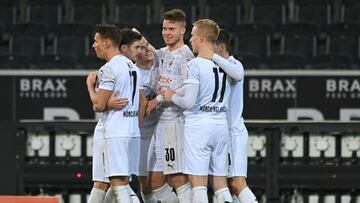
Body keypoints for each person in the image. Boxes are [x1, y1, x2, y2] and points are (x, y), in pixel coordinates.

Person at [162, 19, 244, 203]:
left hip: (199, 126)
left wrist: (172, 97)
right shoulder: (224, 65)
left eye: (192, 35)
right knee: (221, 185)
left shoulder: (195, 65)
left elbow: (189, 102)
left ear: (201, 38)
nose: (190, 39)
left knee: (198, 185)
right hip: (220, 125)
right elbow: (238, 76)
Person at [86, 25, 143, 203]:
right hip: (132, 131)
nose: (94, 45)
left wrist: (90, 85)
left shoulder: (108, 69)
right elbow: (141, 101)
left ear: (107, 42)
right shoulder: (132, 67)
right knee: (119, 183)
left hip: (115, 132)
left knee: (117, 184)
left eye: (96, 41)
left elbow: (98, 105)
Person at [145, 8, 194, 203]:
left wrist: (159, 98)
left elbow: (187, 87)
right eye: (164, 28)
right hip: (159, 123)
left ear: (183, 31)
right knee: (154, 182)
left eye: (171, 28)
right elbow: (155, 81)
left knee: (177, 178)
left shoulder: (186, 55)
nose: (166, 32)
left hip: (174, 123)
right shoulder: (162, 53)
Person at [214, 30, 258, 203]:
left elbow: (237, 73)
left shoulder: (234, 64)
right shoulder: (213, 67)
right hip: (221, 133)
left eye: (212, 46)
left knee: (237, 183)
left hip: (233, 133)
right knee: (223, 185)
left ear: (221, 47)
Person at [136, 37, 159, 203]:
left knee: (173, 179)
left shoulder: (161, 67)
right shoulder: (132, 72)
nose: (148, 49)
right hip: (142, 134)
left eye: (148, 45)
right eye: (143, 48)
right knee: (145, 183)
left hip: (162, 131)